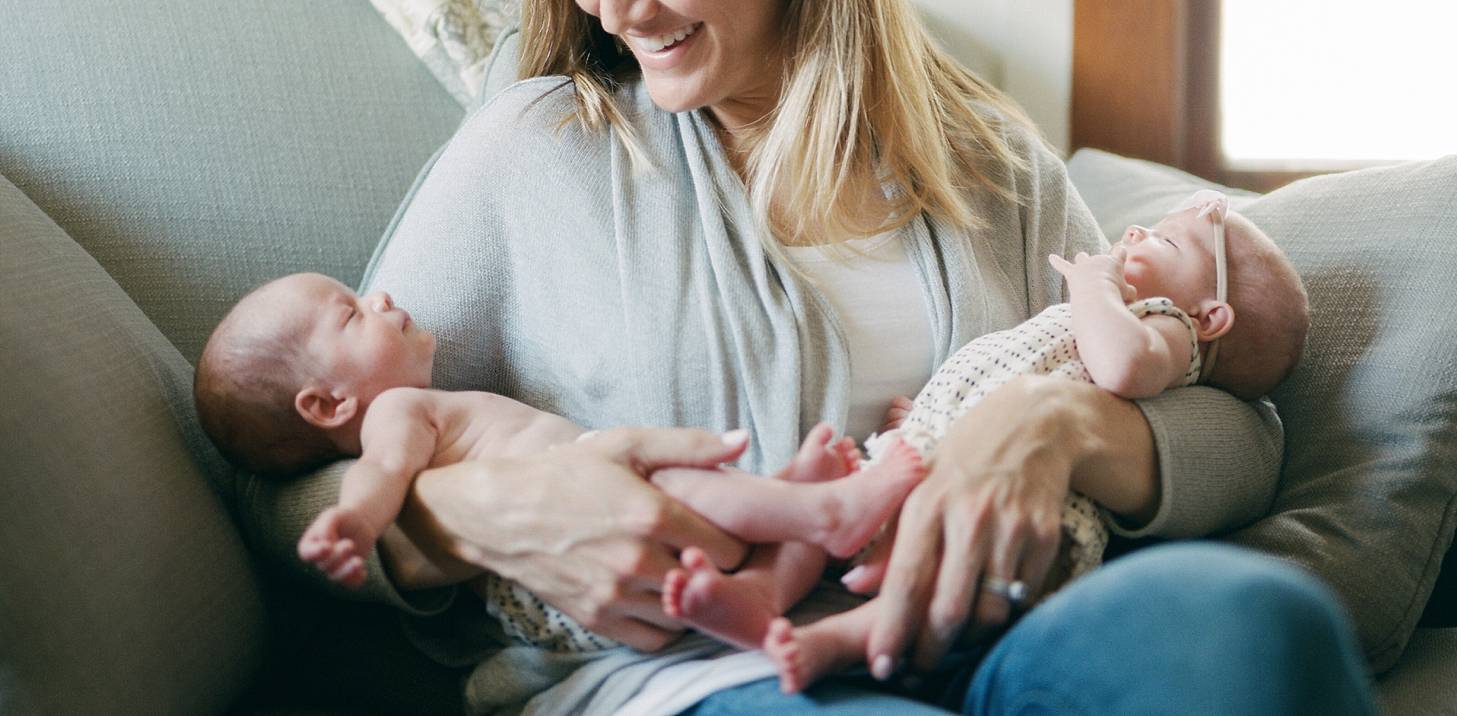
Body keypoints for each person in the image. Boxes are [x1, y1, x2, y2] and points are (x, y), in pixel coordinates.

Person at [239, 0, 1379, 716]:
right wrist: (497, 516)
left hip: (992, 636)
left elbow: (1234, 429)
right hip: (693, 676)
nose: (611, 4)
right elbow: (281, 481)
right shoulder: (535, 154)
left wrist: (1051, 428)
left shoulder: (990, 167)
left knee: (1258, 630)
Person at [734, 189, 1309, 692]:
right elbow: (1001, 377)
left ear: (1209, 318)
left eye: (1165, 242)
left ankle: (834, 643)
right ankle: (757, 598)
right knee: (818, 511)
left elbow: (1122, 368)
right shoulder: (1102, 315)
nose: (1136, 233)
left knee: (927, 579)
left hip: (1012, 527)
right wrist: (931, 415)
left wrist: (1093, 289)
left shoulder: (1164, 325)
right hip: (922, 459)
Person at [196, 271, 922, 651]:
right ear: (326, 407)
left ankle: (760, 598)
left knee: (699, 509)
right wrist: (355, 522)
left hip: (603, 587)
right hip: (572, 564)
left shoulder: (417, 407)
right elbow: (379, 476)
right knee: (667, 480)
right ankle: (825, 511)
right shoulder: (396, 414)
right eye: (352, 311)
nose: (381, 293)